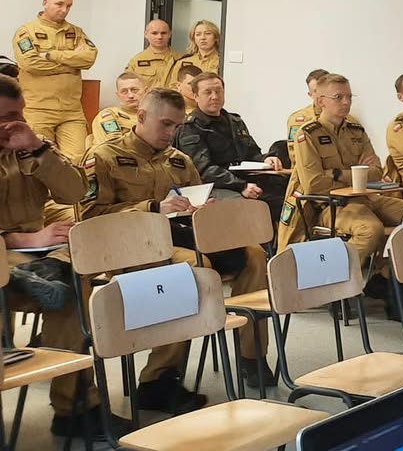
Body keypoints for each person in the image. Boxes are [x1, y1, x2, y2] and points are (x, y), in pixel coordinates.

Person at [81, 88, 272, 407]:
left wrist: (202, 210)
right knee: (194, 269)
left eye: (177, 126)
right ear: (142, 116)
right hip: (124, 248)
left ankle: (251, 356)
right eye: (165, 124)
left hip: (176, 239)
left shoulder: (179, 160)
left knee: (254, 254)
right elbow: (88, 217)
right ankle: (159, 379)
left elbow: (194, 205)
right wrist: (154, 207)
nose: (171, 133)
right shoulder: (104, 156)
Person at [0, 75, 129, 439]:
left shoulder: (31, 144)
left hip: (33, 256)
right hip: (11, 252)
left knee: (73, 287)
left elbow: (75, 192)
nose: (14, 124)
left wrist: (38, 150)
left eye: (19, 114)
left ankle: (75, 408)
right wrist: (20, 238)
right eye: (5, 117)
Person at [277, 74, 400, 284]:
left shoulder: (356, 131)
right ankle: (329, 281)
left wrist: (336, 173)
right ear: (320, 101)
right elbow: (314, 184)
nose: (346, 102)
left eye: (349, 97)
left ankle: (385, 278)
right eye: (338, 97)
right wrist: (357, 174)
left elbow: (376, 172)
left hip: (365, 198)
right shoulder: (307, 134)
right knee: (371, 229)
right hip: (329, 205)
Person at [174, 72, 285, 214]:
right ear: (195, 96)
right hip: (214, 186)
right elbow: (203, 170)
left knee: (287, 196)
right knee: (251, 207)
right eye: (208, 92)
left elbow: (251, 154)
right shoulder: (190, 128)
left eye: (218, 91)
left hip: (246, 180)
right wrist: (241, 186)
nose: (214, 96)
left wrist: (266, 159)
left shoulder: (235, 122)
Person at [11, 0, 97, 159]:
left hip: (71, 111)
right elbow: (30, 64)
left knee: (78, 160)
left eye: (69, 6)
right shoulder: (26, 31)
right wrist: (72, 63)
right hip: (38, 110)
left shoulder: (76, 32)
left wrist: (52, 55)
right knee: (39, 160)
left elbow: (89, 58)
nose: (64, 10)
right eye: (59, 4)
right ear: (45, 3)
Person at [285, 68, 331, 165]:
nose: (321, 95)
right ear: (310, 94)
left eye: (325, 90)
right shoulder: (298, 119)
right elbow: (297, 156)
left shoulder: (348, 120)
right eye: (316, 91)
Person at [91, 72, 145, 148]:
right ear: (118, 95)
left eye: (134, 90)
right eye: (124, 91)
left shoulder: (155, 115)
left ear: (145, 91)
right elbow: (113, 146)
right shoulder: (109, 115)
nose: (130, 95)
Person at [126, 19, 179, 90]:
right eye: (154, 33)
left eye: (163, 33)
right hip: (148, 97)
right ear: (146, 34)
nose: (159, 37)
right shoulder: (136, 61)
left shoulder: (182, 59)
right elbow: (128, 87)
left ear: (170, 34)